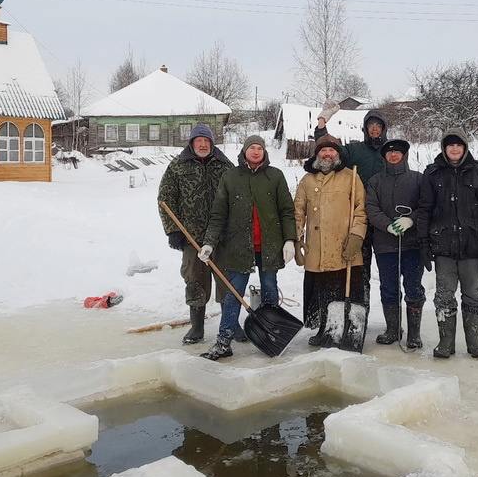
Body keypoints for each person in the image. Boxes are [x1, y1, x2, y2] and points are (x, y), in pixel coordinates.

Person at [197, 136, 298, 360]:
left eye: (259, 148)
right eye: (252, 147)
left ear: (264, 152)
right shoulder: (231, 177)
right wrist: (209, 243)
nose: (255, 151)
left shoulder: (275, 176)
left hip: (269, 246)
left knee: (270, 290)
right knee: (232, 294)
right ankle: (224, 341)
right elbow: (218, 214)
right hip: (239, 247)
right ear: (244, 151)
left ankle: (273, 335)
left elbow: (287, 211)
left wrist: (290, 239)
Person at [417, 128, 478, 359]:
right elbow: (424, 210)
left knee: (473, 293)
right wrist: (423, 242)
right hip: (443, 246)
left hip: (472, 245)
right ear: (443, 148)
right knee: (444, 295)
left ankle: (474, 342)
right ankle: (446, 343)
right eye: (450, 145)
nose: (454, 149)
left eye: (458, 145)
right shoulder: (432, 174)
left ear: (465, 147)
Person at [157, 123, 233, 345]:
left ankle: (229, 324)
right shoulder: (178, 166)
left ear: (212, 143)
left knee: (226, 281)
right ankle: (197, 326)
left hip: (222, 237)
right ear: (191, 143)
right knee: (194, 280)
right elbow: (165, 200)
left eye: (206, 141)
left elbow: (237, 199)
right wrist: (172, 230)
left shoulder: (225, 166)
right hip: (192, 237)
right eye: (198, 141)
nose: (202, 144)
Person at [294, 134, 367, 345]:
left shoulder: (350, 177)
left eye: (331, 150)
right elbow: (298, 212)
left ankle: (346, 330)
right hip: (316, 248)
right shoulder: (307, 181)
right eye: (323, 151)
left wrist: (356, 235)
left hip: (344, 245)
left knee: (344, 290)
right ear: (317, 154)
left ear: (338, 153)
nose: (327, 154)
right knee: (321, 292)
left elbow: (361, 210)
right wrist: (297, 238)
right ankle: (324, 329)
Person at [314, 107, 388, 307]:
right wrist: (322, 124)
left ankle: (393, 323)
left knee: (388, 275)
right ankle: (359, 311)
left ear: (384, 129)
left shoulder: (391, 151)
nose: (374, 129)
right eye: (371, 125)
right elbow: (329, 149)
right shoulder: (355, 150)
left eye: (378, 126)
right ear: (365, 128)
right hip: (360, 220)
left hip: (384, 221)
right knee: (359, 271)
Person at [365, 138, 425, 348]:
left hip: (413, 245)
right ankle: (393, 329)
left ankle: (414, 334)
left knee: (414, 288)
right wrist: (387, 225)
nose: (393, 155)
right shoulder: (375, 181)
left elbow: (427, 206)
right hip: (385, 246)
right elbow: (371, 209)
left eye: (397, 152)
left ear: (404, 155)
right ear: (384, 157)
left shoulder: (418, 179)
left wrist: (411, 219)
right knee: (389, 288)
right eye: (389, 152)